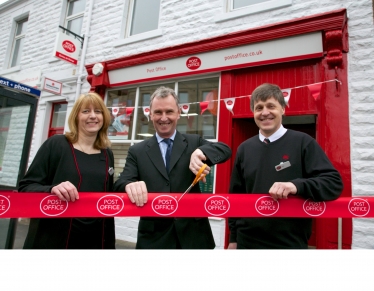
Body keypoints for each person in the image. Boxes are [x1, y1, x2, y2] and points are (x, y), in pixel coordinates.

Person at [113, 86, 232, 249]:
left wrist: (201, 151)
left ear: (178, 113)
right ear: (150, 114)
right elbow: (121, 182)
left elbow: (225, 150)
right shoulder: (137, 150)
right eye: (158, 112)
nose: (164, 118)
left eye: (169, 112)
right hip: (154, 238)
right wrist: (129, 185)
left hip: (194, 236)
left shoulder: (194, 142)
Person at [228, 83, 343, 249]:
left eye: (271, 106)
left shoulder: (303, 142)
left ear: (283, 109)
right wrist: (234, 239)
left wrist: (295, 185)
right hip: (248, 242)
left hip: (289, 243)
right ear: (253, 112)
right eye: (259, 107)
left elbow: (333, 183)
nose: (265, 112)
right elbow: (236, 196)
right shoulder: (244, 148)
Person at [18, 92, 115, 249]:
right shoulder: (56, 144)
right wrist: (52, 189)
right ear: (76, 117)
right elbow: (26, 187)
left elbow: (107, 196)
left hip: (95, 241)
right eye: (85, 111)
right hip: (55, 240)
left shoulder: (106, 152)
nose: (92, 116)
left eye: (98, 111)